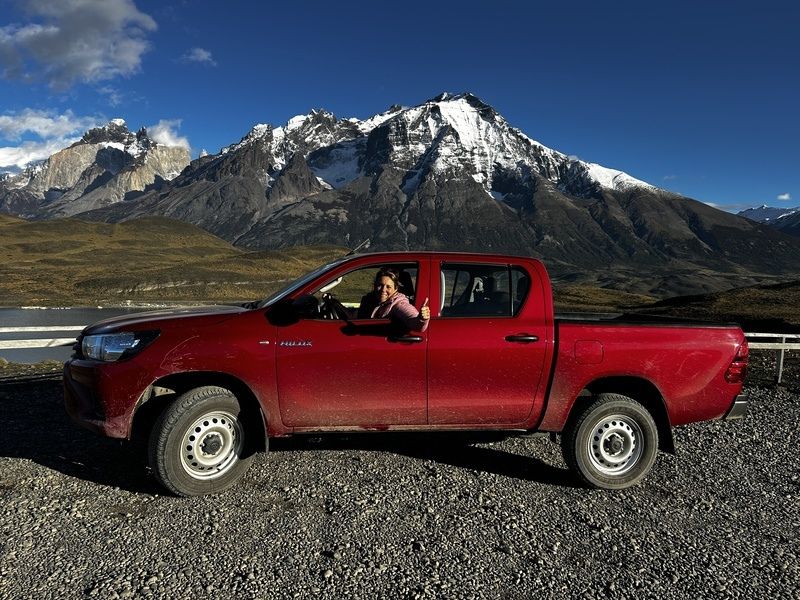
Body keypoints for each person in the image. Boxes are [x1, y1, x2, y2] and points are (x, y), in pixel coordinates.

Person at [358, 267, 430, 332]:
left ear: (396, 288)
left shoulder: (398, 304)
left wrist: (422, 319)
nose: (383, 290)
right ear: (375, 285)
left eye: (388, 287)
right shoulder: (370, 300)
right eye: (380, 285)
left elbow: (416, 323)